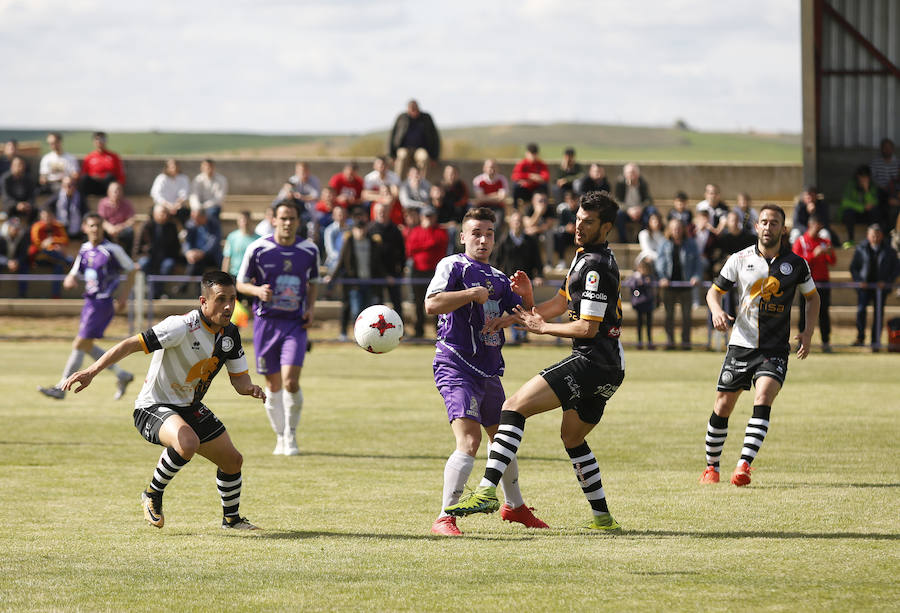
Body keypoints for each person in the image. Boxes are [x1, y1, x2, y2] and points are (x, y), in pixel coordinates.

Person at [444, 191, 626, 532]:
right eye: (577, 220)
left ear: (606, 228)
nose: (579, 227)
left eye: (588, 223)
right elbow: (560, 301)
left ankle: (486, 491)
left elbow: (587, 328)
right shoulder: (586, 257)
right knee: (572, 437)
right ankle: (603, 518)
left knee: (512, 408)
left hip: (593, 360)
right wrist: (518, 316)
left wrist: (542, 329)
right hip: (611, 368)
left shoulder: (596, 267)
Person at [61, 270, 265, 530]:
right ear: (203, 302)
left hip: (189, 408)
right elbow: (130, 344)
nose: (228, 306)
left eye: (233, 299)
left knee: (233, 461)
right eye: (221, 299)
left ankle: (231, 520)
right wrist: (92, 371)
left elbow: (239, 380)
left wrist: (251, 389)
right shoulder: (180, 326)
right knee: (187, 441)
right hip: (152, 407)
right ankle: (152, 494)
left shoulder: (230, 335)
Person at [425, 206, 546, 536]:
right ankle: (444, 517)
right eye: (476, 233)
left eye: (489, 233)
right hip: (455, 364)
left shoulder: (496, 276)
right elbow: (431, 304)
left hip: (489, 370)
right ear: (462, 236)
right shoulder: (453, 266)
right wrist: (468, 295)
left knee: (502, 439)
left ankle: (515, 507)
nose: (483, 239)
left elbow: (527, 315)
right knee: (470, 440)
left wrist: (527, 296)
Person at [700, 204, 820, 487]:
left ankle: (743, 466)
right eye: (764, 222)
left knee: (763, 397)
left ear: (783, 229)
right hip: (741, 345)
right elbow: (713, 293)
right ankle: (711, 467)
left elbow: (813, 298)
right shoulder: (738, 259)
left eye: (774, 223)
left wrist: (808, 332)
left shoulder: (796, 264)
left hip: (775, 348)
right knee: (723, 406)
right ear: (757, 227)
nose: (768, 227)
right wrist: (717, 311)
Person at [236, 200, 319, 456]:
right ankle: (279, 436)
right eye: (283, 218)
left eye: (292, 218)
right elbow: (240, 283)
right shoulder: (258, 248)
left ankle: (291, 435)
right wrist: (257, 290)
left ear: (298, 221)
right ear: (273, 220)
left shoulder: (309, 250)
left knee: (290, 382)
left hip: (294, 324)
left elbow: (313, 282)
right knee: (272, 386)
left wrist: (311, 309)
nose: (287, 223)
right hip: (266, 324)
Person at [38, 213, 136, 400]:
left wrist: (123, 297)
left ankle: (60, 388)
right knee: (87, 345)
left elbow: (132, 269)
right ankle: (122, 375)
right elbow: (75, 271)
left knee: (79, 343)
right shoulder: (84, 249)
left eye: (98, 226)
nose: (95, 229)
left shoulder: (112, 249)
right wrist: (69, 279)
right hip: (89, 301)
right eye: (91, 226)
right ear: (84, 227)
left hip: (103, 302)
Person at [849, 223, 899, 350]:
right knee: (861, 311)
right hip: (864, 287)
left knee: (878, 314)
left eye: (877, 235)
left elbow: (896, 269)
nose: (875, 238)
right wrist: (860, 281)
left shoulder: (889, 251)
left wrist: (886, 282)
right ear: (868, 236)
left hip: (880, 289)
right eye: (873, 235)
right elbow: (853, 268)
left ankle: (875, 341)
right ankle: (860, 338)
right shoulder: (861, 249)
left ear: (881, 236)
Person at [327, 207, 374, 341]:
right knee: (355, 310)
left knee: (367, 310)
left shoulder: (372, 242)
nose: (360, 231)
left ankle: (368, 336)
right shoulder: (348, 242)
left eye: (362, 228)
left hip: (369, 281)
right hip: (353, 283)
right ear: (353, 230)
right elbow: (341, 261)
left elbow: (377, 262)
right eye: (357, 229)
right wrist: (332, 277)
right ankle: (358, 336)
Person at [792, 214, 835, 352]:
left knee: (824, 313)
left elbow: (833, 261)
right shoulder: (801, 242)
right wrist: (813, 255)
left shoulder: (824, 241)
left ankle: (826, 342)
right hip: (807, 283)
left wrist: (829, 252)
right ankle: (801, 342)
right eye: (817, 225)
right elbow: (796, 263)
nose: (819, 228)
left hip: (823, 283)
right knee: (804, 314)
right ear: (811, 224)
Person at [655, 218, 701, 350]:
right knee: (669, 316)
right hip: (669, 286)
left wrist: (696, 276)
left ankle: (686, 343)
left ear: (683, 230)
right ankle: (670, 342)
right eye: (674, 228)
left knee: (687, 316)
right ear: (669, 229)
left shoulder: (691, 243)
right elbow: (659, 263)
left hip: (686, 285)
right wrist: (662, 277)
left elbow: (697, 263)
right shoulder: (664, 244)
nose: (676, 230)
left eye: (679, 228)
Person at [405, 206, 448, 338]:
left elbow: (441, 245)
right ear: (422, 217)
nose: (428, 219)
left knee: (437, 303)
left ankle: (439, 331)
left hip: (434, 273)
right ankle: (419, 331)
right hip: (418, 271)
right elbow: (410, 249)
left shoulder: (440, 231)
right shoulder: (415, 231)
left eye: (431, 216)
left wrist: (422, 246)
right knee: (418, 303)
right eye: (426, 216)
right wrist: (429, 245)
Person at [368, 201, 406, 316]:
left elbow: (402, 251)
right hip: (376, 273)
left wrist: (401, 269)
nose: (382, 214)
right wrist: (384, 275)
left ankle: (400, 329)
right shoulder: (370, 229)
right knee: (377, 305)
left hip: (394, 272)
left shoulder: (395, 230)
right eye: (379, 212)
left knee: (397, 303)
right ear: (374, 213)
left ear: (389, 212)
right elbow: (372, 257)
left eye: (384, 211)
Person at [134, 204, 181, 299]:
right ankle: (155, 292)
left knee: (169, 264)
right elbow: (137, 246)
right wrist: (136, 259)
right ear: (155, 214)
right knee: (144, 263)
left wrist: (177, 260)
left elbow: (176, 246)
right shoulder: (146, 226)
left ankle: (157, 291)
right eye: (161, 213)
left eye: (165, 213)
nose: (164, 215)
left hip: (165, 257)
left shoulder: (171, 226)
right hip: (148, 256)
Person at [388, 99, 440, 180]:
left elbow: (434, 137)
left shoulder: (426, 118)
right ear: (408, 109)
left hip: (420, 149)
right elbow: (393, 135)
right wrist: (392, 155)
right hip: (404, 148)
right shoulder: (402, 118)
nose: (413, 111)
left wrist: (434, 157)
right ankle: (398, 184)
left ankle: (423, 185)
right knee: (402, 157)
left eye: (415, 108)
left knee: (424, 158)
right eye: (411, 109)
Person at [28, 206, 71, 298]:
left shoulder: (58, 226)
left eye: (49, 217)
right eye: (44, 217)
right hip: (39, 257)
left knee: (59, 265)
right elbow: (37, 244)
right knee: (65, 259)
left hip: (55, 257)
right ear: (41, 218)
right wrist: (50, 246)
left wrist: (52, 240)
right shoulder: (37, 226)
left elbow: (65, 240)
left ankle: (56, 295)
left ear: (53, 217)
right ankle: (69, 261)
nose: (47, 219)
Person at [613, 163, 656, 243]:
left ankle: (640, 239)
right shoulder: (620, 183)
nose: (631, 175)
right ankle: (623, 240)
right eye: (629, 173)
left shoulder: (643, 183)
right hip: (626, 211)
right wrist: (628, 210)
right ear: (625, 174)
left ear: (638, 174)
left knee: (651, 211)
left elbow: (648, 200)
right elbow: (617, 201)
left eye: (634, 172)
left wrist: (640, 209)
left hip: (640, 211)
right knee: (617, 214)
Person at [181, 207, 223, 286]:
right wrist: (188, 252)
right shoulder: (190, 224)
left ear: (203, 217)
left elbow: (214, 242)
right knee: (195, 262)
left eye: (196, 218)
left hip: (210, 254)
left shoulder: (213, 223)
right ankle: (188, 286)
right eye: (192, 218)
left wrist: (202, 252)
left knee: (200, 262)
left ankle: (184, 285)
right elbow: (186, 241)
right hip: (195, 254)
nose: (194, 221)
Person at [840, 165, 880, 245]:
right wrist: (862, 207)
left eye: (866, 177)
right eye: (862, 177)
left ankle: (872, 239)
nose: (863, 180)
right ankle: (851, 240)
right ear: (858, 177)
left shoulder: (872, 186)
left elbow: (874, 203)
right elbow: (845, 202)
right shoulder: (851, 185)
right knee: (848, 212)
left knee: (875, 212)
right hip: (853, 216)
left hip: (866, 216)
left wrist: (867, 190)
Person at [79, 132, 125, 199]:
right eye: (97, 139)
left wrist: (119, 186)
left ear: (106, 141)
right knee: (84, 178)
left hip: (107, 185)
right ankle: (83, 205)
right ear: (93, 142)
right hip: (93, 185)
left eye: (102, 139)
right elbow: (83, 173)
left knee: (110, 177)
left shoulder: (114, 156)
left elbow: (121, 175)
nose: (100, 141)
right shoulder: (89, 157)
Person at [97, 182, 136, 255]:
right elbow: (101, 219)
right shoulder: (103, 203)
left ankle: (128, 256)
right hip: (108, 229)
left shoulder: (127, 203)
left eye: (119, 191)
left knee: (129, 232)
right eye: (115, 191)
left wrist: (119, 227)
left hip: (122, 229)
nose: (117, 193)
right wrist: (109, 228)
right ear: (109, 192)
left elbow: (131, 220)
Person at [869, 137, 899, 226]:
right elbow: (872, 178)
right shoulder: (875, 162)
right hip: (880, 190)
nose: (887, 150)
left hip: (895, 191)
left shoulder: (898, 162)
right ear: (881, 149)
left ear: (893, 149)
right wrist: (883, 187)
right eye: (885, 148)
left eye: (889, 147)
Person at [221, 211, 259, 280]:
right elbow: (227, 257)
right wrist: (224, 277)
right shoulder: (232, 237)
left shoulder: (258, 239)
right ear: (238, 222)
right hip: (235, 274)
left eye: (247, 220)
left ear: (251, 221)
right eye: (242, 220)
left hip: (252, 276)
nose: (245, 222)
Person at [150, 159, 191, 224]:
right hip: (163, 206)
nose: (174, 169)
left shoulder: (183, 178)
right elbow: (156, 194)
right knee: (159, 215)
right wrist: (168, 206)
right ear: (167, 168)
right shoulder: (161, 178)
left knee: (185, 214)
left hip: (178, 207)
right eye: (172, 167)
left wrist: (176, 205)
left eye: (176, 166)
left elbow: (184, 194)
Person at [0, 216, 31, 296]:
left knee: (25, 266)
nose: (16, 229)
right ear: (9, 227)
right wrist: (7, 262)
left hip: (16, 262)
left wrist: (16, 261)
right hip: (3, 261)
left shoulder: (23, 236)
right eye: (14, 227)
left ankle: (22, 295)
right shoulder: (1, 236)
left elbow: (23, 253)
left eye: (17, 227)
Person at [630, 257, 657, 349]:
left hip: (648, 304)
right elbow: (632, 286)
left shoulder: (650, 277)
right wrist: (638, 281)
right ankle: (639, 343)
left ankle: (650, 343)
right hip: (639, 304)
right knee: (639, 325)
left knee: (649, 325)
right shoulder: (635, 277)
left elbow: (651, 287)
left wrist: (645, 282)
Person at [2, 156, 37, 223]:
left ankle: (28, 230)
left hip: (26, 205)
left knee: (35, 210)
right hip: (12, 205)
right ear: (12, 166)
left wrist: (28, 204)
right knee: (9, 208)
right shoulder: (6, 179)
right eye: (17, 165)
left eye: (21, 164)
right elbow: (6, 197)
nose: (19, 167)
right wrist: (17, 205)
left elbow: (32, 195)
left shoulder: (28, 179)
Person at [553, 190, 580, 268]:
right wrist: (566, 228)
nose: (571, 202)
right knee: (559, 235)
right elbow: (559, 227)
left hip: (577, 235)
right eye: (569, 200)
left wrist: (575, 228)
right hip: (567, 237)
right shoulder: (564, 212)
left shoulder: (580, 211)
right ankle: (561, 260)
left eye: (573, 200)